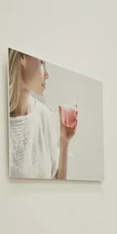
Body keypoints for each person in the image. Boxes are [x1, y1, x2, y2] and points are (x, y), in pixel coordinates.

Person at [8, 49, 77, 179]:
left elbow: (56, 184)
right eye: (41, 62)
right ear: (22, 57)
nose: (47, 74)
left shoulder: (43, 115)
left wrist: (64, 141)